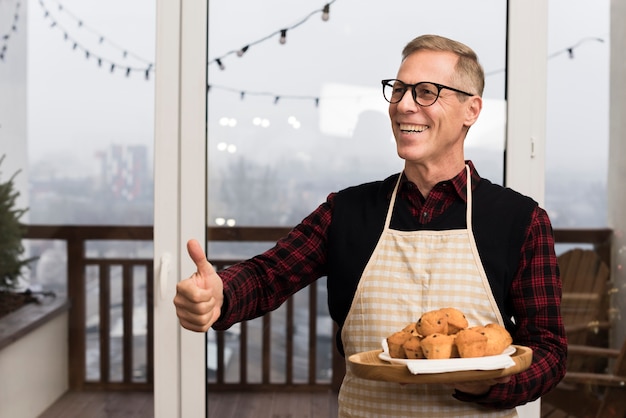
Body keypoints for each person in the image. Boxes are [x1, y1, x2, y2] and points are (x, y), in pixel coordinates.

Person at [174, 34, 567, 417]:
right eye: (398, 90)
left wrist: (488, 384)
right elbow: (266, 277)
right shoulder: (345, 211)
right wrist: (220, 295)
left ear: (471, 110)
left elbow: (549, 350)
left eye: (426, 92)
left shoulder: (521, 220)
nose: (404, 105)